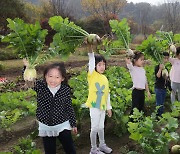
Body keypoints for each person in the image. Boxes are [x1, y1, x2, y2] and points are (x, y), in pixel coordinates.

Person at [34, 63, 77, 154]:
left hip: (62, 124)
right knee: (49, 151)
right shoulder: (40, 86)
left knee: (70, 149)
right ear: (45, 76)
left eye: (57, 77)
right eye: (50, 76)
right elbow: (29, 80)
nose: (53, 80)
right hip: (46, 126)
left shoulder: (65, 90)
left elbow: (69, 107)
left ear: (62, 78)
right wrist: (27, 67)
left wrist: (73, 124)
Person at [86, 50, 112, 154]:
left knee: (101, 127)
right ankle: (93, 149)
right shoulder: (92, 75)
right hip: (94, 106)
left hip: (102, 107)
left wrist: (108, 107)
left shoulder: (105, 78)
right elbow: (91, 62)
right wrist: (91, 52)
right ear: (95, 66)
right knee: (94, 128)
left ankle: (102, 145)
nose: (102, 67)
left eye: (104, 64)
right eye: (99, 64)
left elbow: (107, 94)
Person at [154, 52, 170, 116]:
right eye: (164, 58)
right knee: (159, 103)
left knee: (162, 103)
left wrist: (169, 87)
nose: (166, 60)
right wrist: (160, 69)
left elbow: (167, 79)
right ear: (161, 58)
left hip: (164, 88)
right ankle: (158, 116)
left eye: (167, 58)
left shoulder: (166, 69)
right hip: (158, 88)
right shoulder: (157, 67)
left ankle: (161, 115)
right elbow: (157, 76)